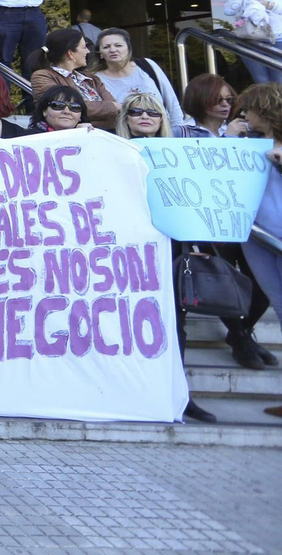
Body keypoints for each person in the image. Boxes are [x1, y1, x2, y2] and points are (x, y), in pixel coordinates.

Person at [116, 90, 218, 423]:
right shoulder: (110, 152)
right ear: (125, 118)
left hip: (169, 247)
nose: (144, 116)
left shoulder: (181, 155)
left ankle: (179, 395)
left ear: (163, 120)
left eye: (153, 113)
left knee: (175, 324)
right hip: (122, 251)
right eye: (136, 111)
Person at [178, 74, 274, 371]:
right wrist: (228, 141)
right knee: (221, 277)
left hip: (249, 219)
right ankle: (244, 340)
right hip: (208, 217)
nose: (224, 105)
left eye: (229, 99)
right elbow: (198, 171)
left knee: (262, 283)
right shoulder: (183, 132)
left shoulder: (249, 132)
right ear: (199, 100)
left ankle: (239, 333)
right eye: (216, 99)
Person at [234, 85, 282, 415]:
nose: (243, 116)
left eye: (246, 110)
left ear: (262, 110)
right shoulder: (245, 141)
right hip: (256, 236)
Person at [92, 28, 186, 133]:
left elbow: (171, 101)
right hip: (123, 139)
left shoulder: (147, 66)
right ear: (100, 53)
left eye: (118, 45)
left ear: (128, 48)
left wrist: (178, 131)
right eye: (106, 47)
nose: (113, 50)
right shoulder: (96, 80)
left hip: (162, 136)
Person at [28, 28, 117, 129]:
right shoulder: (42, 76)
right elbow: (67, 109)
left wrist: (111, 108)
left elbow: (115, 108)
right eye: (84, 47)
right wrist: (111, 108)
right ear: (70, 53)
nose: (88, 51)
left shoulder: (91, 78)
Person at [224, 0, 282, 84]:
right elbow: (228, 10)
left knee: (278, 82)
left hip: (278, 40)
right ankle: (266, 105)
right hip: (251, 40)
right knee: (261, 81)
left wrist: (270, 5)